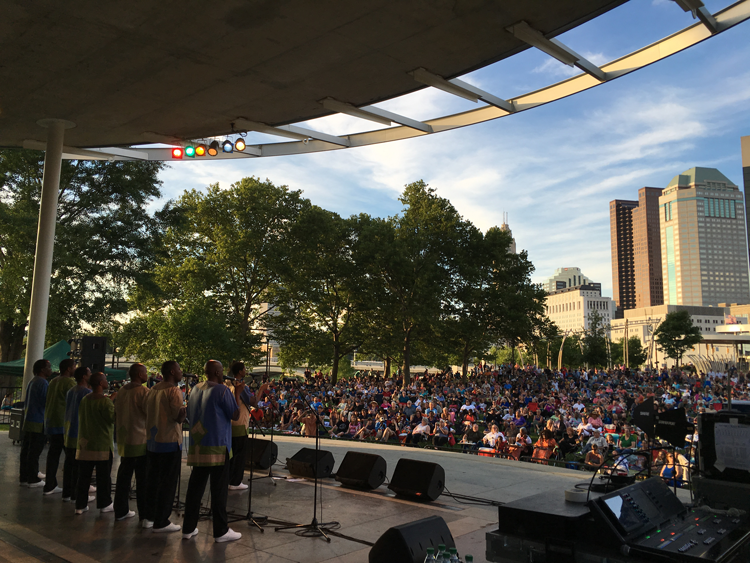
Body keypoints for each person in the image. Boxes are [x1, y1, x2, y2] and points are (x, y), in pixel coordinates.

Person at [182, 360, 241, 543]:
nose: (223, 374)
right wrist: (237, 394)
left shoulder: (195, 389)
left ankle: (188, 528)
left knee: (195, 489)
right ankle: (221, 531)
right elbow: (235, 415)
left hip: (199, 446)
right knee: (219, 491)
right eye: (221, 371)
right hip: (217, 446)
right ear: (216, 372)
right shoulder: (222, 390)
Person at [143, 360, 186, 532]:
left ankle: (148, 517)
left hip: (153, 441)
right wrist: (184, 411)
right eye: (179, 369)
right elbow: (178, 417)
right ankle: (161, 521)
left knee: (152, 481)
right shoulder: (174, 391)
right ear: (172, 372)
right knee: (167, 483)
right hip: (169, 441)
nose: (181, 372)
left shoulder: (153, 389)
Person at [75, 372, 115, 515]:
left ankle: (80, 505)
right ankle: (104, 503)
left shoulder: (85, 399)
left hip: (85, 444)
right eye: (105, 380)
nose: (107, 381)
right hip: (101, 444)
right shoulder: (105, 402)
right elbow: (112, 418)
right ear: (100, 383)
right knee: (103, 477)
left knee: (83, 477)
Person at [113, 363, 149, 521]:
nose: (147, 375)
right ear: (140, 375)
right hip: (140, 439)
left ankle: (120, 510)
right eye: (145, 372)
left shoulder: (122, 390)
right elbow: (150, 413)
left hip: (124, 439)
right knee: (143, 479)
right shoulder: (143, 391)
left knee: (124, 476)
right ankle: (145, 514)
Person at [226, 362, 265, 491]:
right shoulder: (240, 386)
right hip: (240, 423)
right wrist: (262, 389)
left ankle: (229, 479)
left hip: (230, 424)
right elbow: (254, 402)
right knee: (240, 455)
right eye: (244, 369)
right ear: (240, 371)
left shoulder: (227, 384)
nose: (246, 371)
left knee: (231, 454)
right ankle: (235, 482)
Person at [42, 358, 77, 495]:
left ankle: (49, 484)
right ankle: (72, 488)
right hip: (63, 423)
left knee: (53, 455)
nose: (75, 369)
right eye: (74, 367)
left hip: (51, 422)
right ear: (69, 369)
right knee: (71, 457)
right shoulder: (69, 382)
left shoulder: (53, 381)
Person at [63, 367, 93, 504]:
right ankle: (78, 495)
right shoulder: (87, 393)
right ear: (84, 377)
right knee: (80, 467)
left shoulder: (71, 391)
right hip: (80, 433)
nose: (91, 375)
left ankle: (67, 493)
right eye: (89, 373)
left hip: (69, 431)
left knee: (69, 464)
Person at [20, 359, 51, 488]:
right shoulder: (43, 383)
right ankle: (33, 478)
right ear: (42, 370)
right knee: (35, 451)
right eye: (49, 367)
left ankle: (24, 476)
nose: (51, 370)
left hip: (29, 419)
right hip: (38, 420)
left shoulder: (33, 381)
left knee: (26, 450)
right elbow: (45, 401)